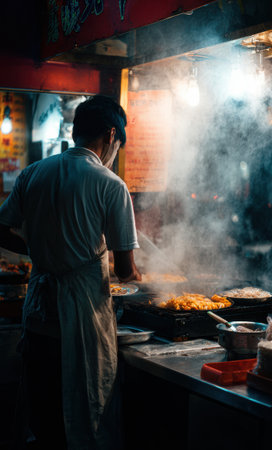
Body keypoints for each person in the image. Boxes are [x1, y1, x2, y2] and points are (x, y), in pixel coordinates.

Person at [0, 95, 141, 450]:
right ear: (111, 135)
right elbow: (125, 271)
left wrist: (39, 252)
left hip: (38, 316)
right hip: (81, 324)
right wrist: (137, 276)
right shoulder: (111, 184)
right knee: (83, 413)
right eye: (118, 143)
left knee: (43, 414)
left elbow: (1, 228)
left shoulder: (34, 172)